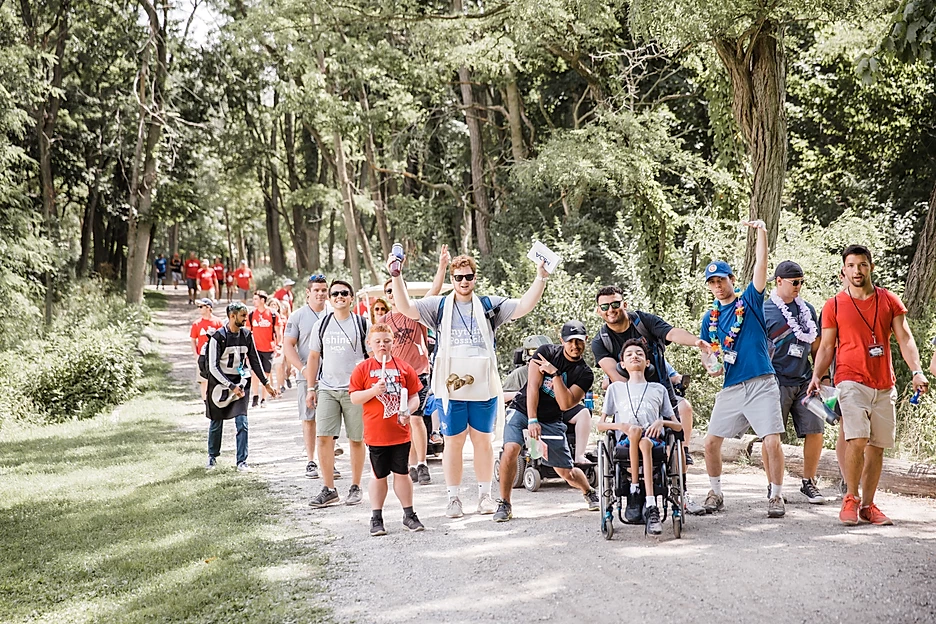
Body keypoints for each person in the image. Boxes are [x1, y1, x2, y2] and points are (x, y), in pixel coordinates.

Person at [389, 252, 549, 518]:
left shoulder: (488, 305)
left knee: (483, 442)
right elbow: (407, 308)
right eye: (459, 277)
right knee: (452, 442)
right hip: (451, 385)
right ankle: (453, 499)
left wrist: (540, 278)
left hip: (482, 383)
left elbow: (522, 307)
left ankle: (485, 496)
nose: (464, 281)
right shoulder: (439, 306)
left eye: (469, 276)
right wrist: (397, 276)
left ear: (475, 277)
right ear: (452, 279)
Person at [808, 245, 929, 526]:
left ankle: (868, 505)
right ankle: (850, 497)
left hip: (884, 383)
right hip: (850, 380)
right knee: (857, 438)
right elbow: (827, 347)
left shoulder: (889, 301)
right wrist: (817, 375)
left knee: (876, 446)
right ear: (844, 270)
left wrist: (917, 371)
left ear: (871, 267)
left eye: (862, 265)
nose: (857, 271)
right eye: (851, 266)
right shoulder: (834, 305)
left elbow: (905, 338)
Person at [699, 220, 786, 519]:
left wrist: (761, 232)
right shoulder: (709, 317)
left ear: (731, 279)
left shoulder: (748, 300)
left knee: (772, 440)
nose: (717, 286)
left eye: (721, 280)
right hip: (732, 386)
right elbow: (708, 352)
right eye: (712, 282)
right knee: (710, 442)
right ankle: (715, 492)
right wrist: (711, 365)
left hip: (761, 381)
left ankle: (776, 496)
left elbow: (762, 264)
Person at [494, 320, 600, 522]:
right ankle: (504, 503)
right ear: (562, 340)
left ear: (586, 341)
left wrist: (556, 374)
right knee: (511, 449)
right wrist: (532, 419)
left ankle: (588, 491)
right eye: (570, 341)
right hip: (523, 408)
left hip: (552, 418)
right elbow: (533, 386)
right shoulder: (545, 352)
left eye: (579, 341)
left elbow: (565, 403)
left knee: (566, 473)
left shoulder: (585, 373)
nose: (575, 346)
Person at [592, 285, 708, 466]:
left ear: (624, 304)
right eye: (605, 306)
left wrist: (696, 342)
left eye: (615, 304)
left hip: (661, 387)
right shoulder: (601, 341)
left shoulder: (643, 322)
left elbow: (672, 332)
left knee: (679, 431)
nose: (611, 310)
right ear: (599, 311)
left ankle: (681, 467)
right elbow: (615, 375)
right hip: (630, 395)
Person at [598, 339, 683, 535]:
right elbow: (601, 425)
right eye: (629, 354)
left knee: (644, 440)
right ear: (622, 364)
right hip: (627, 439)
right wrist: (621, 425)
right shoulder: (615, 389)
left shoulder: (658, 389)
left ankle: (650, 503)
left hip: (652, 440)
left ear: (647, 363)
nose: (634, 356)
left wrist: (662, 422)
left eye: (639, 353)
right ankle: (635, 490)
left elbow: (677, 425)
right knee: (635, 431)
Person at [381, 244, 450, 486]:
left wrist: (442, 266)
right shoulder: (385, 320)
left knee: (417, 417)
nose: (392, 294)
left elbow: (434, 290)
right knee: (405, 419)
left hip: (418, 373)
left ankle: (422, 463)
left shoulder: (416, 312)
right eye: (388, 292)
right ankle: (410, 464)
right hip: (395, 376)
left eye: (395, 290)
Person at [349, 324, 426, 535]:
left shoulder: (404, 367)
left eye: (386, 341)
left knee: (402, 473)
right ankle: (376, 517)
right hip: (376, 433)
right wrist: (374, 390)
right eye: (378, 341)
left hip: (400, 432)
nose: (382, 345)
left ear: (393, 342)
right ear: (369, 344)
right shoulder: (363, 368)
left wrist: (408, 410)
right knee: (378, 474)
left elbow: (414, 397)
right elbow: (354, 397)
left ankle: (409, 515)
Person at [764, 260, 826, 504]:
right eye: (794, 282)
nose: (799, 286)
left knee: (816, 429)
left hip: (805, 381)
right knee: (772, 435)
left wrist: (820, 376)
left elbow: (816, 345)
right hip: (775, 380)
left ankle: (808, 482)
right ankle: (772, 485)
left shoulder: (807, 309)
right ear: (779, 282)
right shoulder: (764, 309)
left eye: (801, 282)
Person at [305, 279, 370, 507]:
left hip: (355, 391)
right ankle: (329, 488)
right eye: (334, 294)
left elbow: (371, 357)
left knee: (356, 439)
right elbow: (314, 357)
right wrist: (311, 388)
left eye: (344, 293)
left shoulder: (362, 324)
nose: (339, 296)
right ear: (330, 299)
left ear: (351, 298)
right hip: (327, 389)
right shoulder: (321, 325)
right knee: (323, 438)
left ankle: (355, 486)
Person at [204, 301, 279, 471]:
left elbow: (254, 361)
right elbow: (213, 367)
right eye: (243, 316)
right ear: (232, 316)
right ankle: (212, 456)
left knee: (242, 422)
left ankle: (241, 461)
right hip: (220, 384)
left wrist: (265, 383)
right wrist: (230, 385)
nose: (246, 319)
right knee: (216, 421)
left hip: (240, 383)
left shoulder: (247, 335)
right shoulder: (218, 337)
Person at [503, 334, 593, 465]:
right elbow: (502, 396)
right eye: (534, 351)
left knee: (584, 412)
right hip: (527, 407)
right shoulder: (520, 373)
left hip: (556, 408)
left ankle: (579, 455)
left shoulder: (566, 367)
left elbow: (569, 399)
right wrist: (520, 395)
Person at [284, 274, 336, 480]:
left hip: (332, 375)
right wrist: (302, 368)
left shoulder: (334, 313)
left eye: (324, 290)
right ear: (308, 293)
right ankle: (311, 461)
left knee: (330, 418)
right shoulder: (297, 316)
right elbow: (288, 345)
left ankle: (329, 460)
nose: (321, 294)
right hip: (308, 375)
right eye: (317, 290)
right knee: (309, 418)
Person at [249, 291, 279, 408]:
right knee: (254, 373)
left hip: (268, 348)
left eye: (256, 299)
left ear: (262, 300)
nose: (253, 301)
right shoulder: (251, 314)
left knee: (266, 374)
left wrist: (279, 345)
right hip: (255, 349)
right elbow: (247, 331)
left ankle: (264, 398)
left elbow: (278, 331)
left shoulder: (272, 314)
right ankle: (255, 397)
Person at [190, 298, 223, 401]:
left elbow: (223, 339)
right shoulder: (196, 324)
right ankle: (205, 401)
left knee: (216, 379)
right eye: (198, 307)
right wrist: (196, 355)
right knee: (203, 380)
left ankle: (215, 399)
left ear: (208, 308)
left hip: (215, 355)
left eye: (201, 306)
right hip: (202, 356)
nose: (199, 309)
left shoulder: (218, 322)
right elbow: (193, 340)